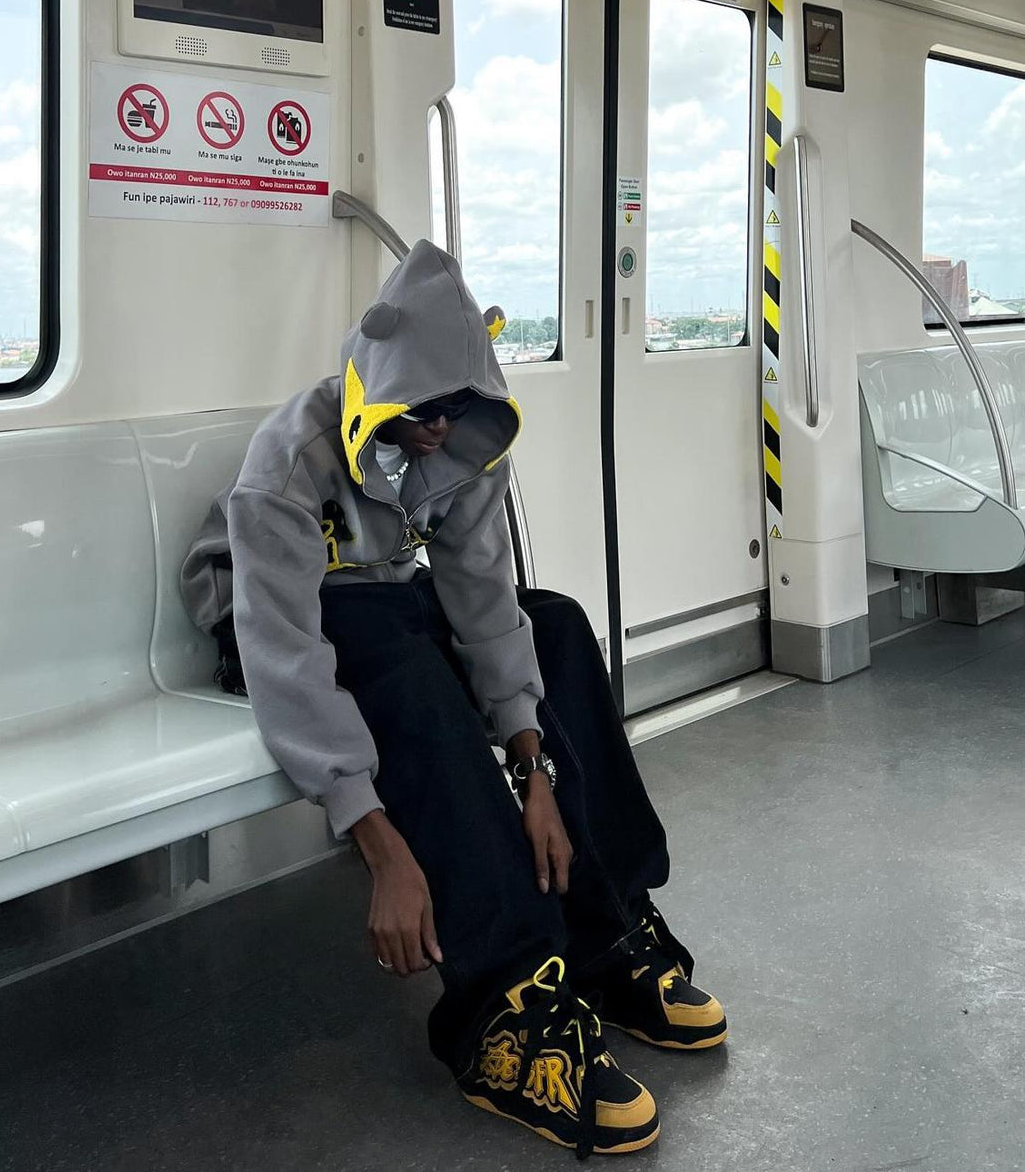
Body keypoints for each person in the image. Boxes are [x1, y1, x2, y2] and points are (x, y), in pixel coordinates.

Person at [181, 240, 727, 1159]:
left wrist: (534, 764)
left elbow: (483, 595)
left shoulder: (468, 446)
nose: (440, 426)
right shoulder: (290, 458)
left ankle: (605, 927)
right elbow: (285, 653)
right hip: (269, 618)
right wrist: (378, 842)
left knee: (554, 623)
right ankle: (506, 1004)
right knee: (401, 661)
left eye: (461, 404)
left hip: (384, 594)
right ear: (379, 384)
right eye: (423, 405)